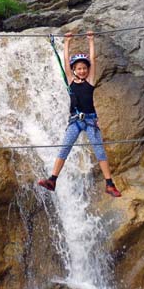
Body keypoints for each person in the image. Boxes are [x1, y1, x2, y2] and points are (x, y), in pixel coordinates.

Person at [38, 31, 121, 197]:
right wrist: (67, 42)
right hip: (75, 121)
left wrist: (91, 40)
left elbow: (93, 60)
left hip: (90, 120)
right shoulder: (70, 81)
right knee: (65, 148)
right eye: (79, 68)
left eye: (84, 68)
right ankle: (52, 179)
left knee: (100, 151)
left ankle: (109, 183)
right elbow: (65, 63)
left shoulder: (90, 81)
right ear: (74, 70)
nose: (82, 71)